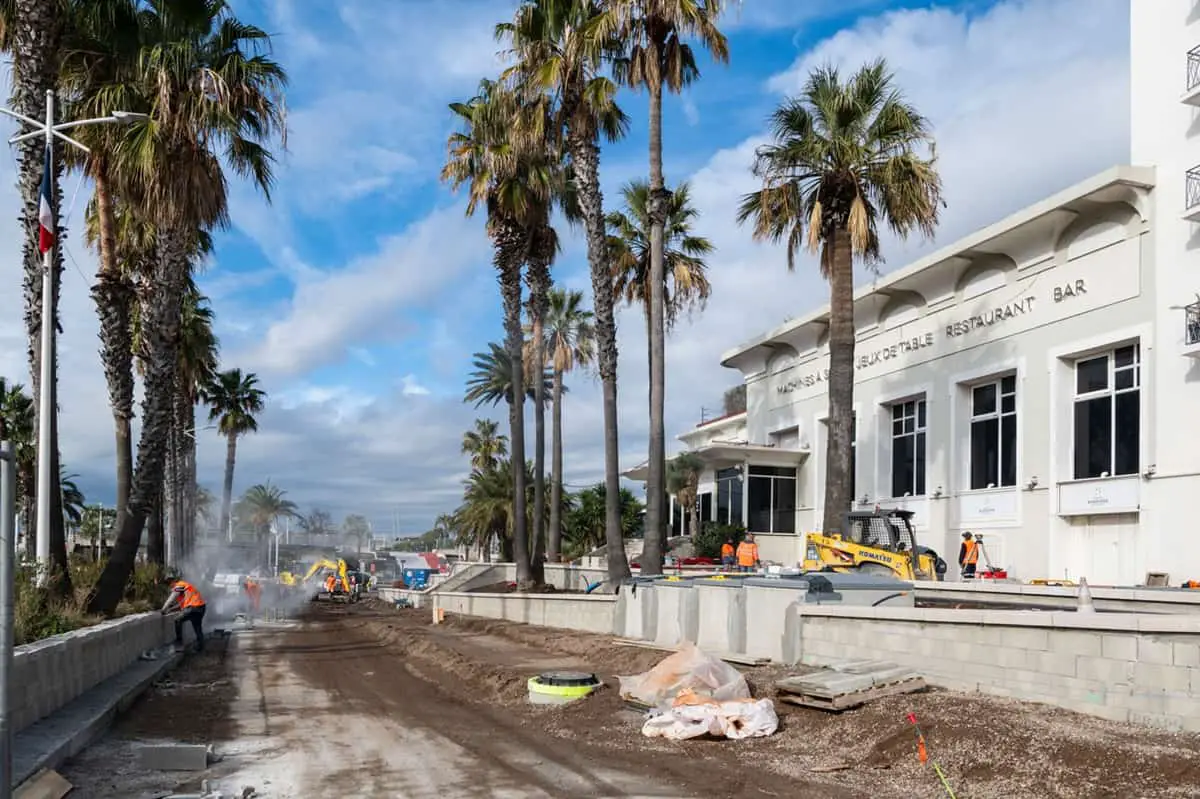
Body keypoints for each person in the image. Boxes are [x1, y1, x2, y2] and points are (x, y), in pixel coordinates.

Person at [161, 576, 206, 652]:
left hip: (193, 607)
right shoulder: (185, 588)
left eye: (169, 584)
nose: (170, 587)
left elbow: (172, 598)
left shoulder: (179, 585)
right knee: (197, 628)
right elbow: (182, 605)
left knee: (177, 620)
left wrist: (163, 609)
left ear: (173, 582)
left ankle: (179, 644)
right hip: (201, 608)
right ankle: (200, 648)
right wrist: (170, 609)